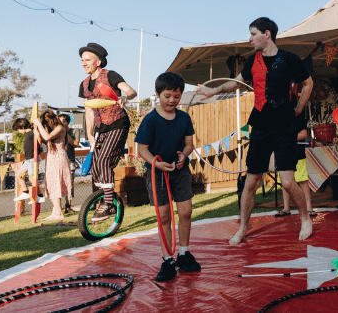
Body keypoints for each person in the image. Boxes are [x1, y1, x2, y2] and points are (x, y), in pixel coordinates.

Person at [196, 17, 314, 245]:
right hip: (260, 124)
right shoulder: (251, 61)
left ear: (267, 34)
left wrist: (299, 107)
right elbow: (236, 82)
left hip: (285, 125)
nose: (249, 39)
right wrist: (215, 91)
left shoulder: (290, 59)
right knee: (251, 181)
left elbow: (308, 83)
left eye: (253, 34)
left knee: (288, 182)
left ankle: (305, 218)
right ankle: (242, 228)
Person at [135, 72, 200, 282]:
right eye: (167, 96)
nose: (172, 100)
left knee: (186, 212)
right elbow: (141, 149)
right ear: (157, 94)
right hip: (158, 174)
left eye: (176, 96)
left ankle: (183, 253)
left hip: (180, 171)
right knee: (164, 217)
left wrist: (184, 155)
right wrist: (157, 163)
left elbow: (189, 144)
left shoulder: (184, 118)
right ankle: (167, 259)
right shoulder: (150, 120)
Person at [78, 43, 137, 221]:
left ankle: (109, 205)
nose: (83, 63)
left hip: (117, 123)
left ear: (98, 61)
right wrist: (89, 135)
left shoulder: (110, 75)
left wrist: (124, 97)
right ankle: (106, 200)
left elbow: (131, 91)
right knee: (96, 165)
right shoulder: (84, 84)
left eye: (87, 60)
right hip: (99, 128)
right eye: (82, 60)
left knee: (103, 160)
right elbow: (88, 110)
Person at [32, 110, 73, 221]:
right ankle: (55, 211)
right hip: (51, 157)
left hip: (58, 157)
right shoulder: (52, 129)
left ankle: (59, 212)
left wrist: (39, 124)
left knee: (56, 183)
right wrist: (37, 133)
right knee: (51, 183)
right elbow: (43, 141)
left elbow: (47, 137)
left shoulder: (60, 128)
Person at [275, 115, 316, 218]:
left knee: (302, 181)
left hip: (298, 155)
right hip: (282, 154)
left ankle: (309, 208)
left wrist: (287, 137)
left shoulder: (298, 117)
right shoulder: (277, 117)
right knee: (285, 182)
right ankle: (286, 208)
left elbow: (304, 134)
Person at [12, 118, 46, 205]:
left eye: (18, 129)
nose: (18, 131)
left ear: (22, 127)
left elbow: (40, 142)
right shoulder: (29, 134)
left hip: (32, 159)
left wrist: (37, 133)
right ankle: (25, 192)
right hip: (28, 160)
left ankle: (40, 195)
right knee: (18, 175)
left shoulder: (32, 133)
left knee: (32, 178)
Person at [58, 114, 80, 213]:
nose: (61, 123)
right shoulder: (56, 131)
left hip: (70, 160)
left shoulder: (74, 131)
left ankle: (68, 206)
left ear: (67, 122)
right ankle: (58, 208)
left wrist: (66, 134)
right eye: (59, 121)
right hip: (58, 161)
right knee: (58, 183)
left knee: (69, 184)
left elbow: (75, 144)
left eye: (63, 121)